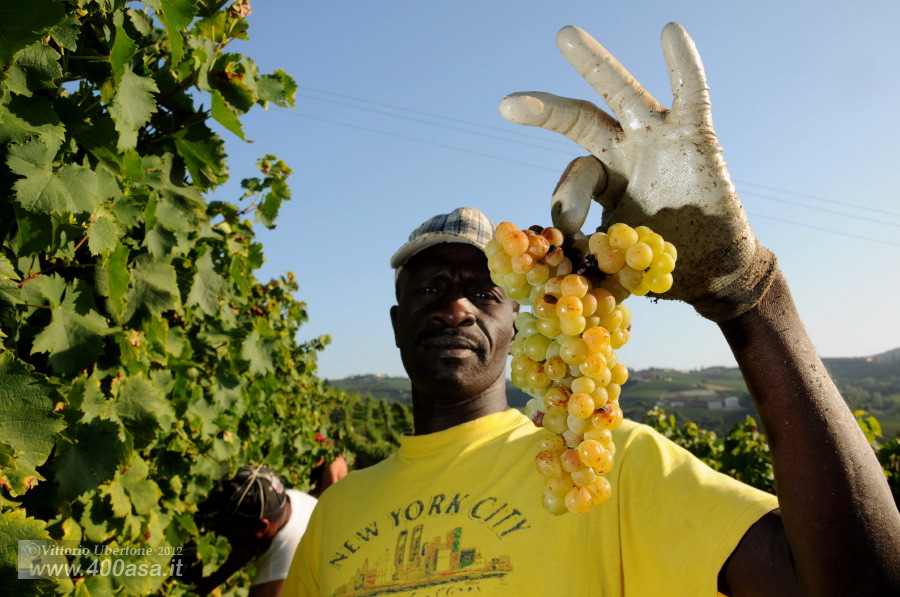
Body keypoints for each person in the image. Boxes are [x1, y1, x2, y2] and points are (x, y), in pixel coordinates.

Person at [285, 23, 900, 596]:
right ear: (396, 326)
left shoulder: (608, 464)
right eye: (427, 289)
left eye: (484, 291)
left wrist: (749, 297)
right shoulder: (335, 512)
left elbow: (861, 583)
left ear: (525, 322)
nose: (455, 309)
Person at [192, 466, 319, 597]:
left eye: (228, 527)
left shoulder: (275, 585)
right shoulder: (284, 503)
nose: (219, 529)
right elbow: (247, 545)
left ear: (261, 527)